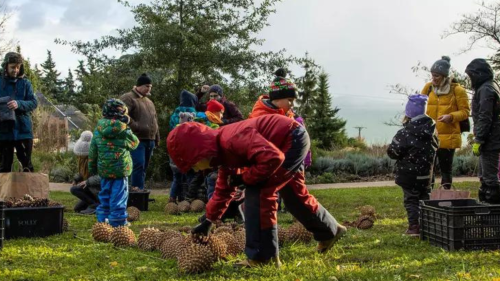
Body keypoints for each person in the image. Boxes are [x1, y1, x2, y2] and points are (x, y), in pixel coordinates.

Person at [168, 114, 346, 268]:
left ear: (198, 151)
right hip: (291, 139)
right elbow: (225, 188)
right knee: (293, 195)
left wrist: (245, 179)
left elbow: (272, 158)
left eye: (193, 165)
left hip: (290, 139)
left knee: (259, 191)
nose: (197, 170)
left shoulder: (231, 139)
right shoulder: (221, 150)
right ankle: (330, 231)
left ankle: (263, 257)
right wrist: (209, 221)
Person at [387, 94, 439, 236]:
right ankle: (427, 226)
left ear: (408, 113)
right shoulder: (432, 131)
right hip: (427, 174)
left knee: (411, 200)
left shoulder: (404, 133)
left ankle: (414, 227)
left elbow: (393, 152)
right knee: (425, 198)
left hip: (409, 175)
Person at [421, 56, 470, 189]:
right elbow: (420, 105)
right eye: (432, 75)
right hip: (430, 135)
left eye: (436, 76)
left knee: (445, 170)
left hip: (449, 136)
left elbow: (465, 111)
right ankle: (428, 195)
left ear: (444, 76)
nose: (433, 79)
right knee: (428, 168)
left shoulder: (457, 90)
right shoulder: (428, 88)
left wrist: (451, 116)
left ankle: (446, 194)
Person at [89, 99, 139, 227]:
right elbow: (135, 143)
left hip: (104, 169)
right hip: (120, 169)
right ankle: (117, 221)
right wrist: (126, 126)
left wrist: (92, 167)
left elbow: (93, 150)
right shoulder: (123, 129)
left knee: (105, 193)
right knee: (119, 194)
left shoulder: (98, 129)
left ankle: (102, 220)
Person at [466, 59, 500, 204]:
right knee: (484, 175)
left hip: (491, 139)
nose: (470, 80)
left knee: (489, 177)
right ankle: (486, 206)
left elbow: (485, 116)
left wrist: (479, 139)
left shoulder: (486, 89)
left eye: (471, 76)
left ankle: (492, 210)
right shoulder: (489, 86)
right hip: (491, 137)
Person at [120, 73, 159, 190]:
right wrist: (135, 126)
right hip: (136, 138)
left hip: (150, 139)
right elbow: (122, 115)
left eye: (150, 86)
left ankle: (140, 190)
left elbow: (155, 120)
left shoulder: (149, 101)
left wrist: (157, 138)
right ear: (139, 86)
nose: (149, 88)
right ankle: (135, 192)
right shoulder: (128, 98)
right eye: (147, 86)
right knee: (138, 165)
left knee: (144, 167)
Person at [0, 52, 37, 173]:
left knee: (27, 166)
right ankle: (4, 192)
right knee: (3, 167)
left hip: (23, 131)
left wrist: (19, 104)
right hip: (4, 132)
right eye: (12, 67)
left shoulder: (25, 83)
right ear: (6, 66)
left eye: (18, 67)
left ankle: (29, 192)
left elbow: (33, 102)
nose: (15, 70)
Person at [168, 90, 198, 203]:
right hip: (188, 150)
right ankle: (189, 198)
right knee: (191, 175)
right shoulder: (194, 115)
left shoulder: (175, 115)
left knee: (177, 176)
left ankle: (172, 198)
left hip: (174, 149)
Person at [70, 131, 101, 214]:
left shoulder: (98, 160)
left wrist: (87, 181)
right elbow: (82, 172)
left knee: (74, 189)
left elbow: (102, 177)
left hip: (97, 189)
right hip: (90, 188)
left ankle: (95, 205)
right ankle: (93, 203)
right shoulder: (83, 160)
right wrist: (76, 179)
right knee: (77, 209)